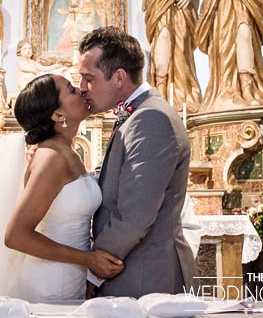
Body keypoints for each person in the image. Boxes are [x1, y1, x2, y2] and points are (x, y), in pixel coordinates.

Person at [0, 74, 124, 303]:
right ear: (57, 114)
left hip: (68, 275)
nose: (81, 90)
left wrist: (85, 267)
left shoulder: (65, 151)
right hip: (51, 283)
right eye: (71, 90)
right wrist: (88, 260)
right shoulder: (51, 157)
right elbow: (16, 236)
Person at [77, 26, 196, 298]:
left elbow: (135, 213)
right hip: (134, 269)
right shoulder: (139, 114)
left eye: (88, 78)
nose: (82, 88)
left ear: (118, 77)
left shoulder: (149, 119)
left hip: (143, 275)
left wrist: (95, 268)